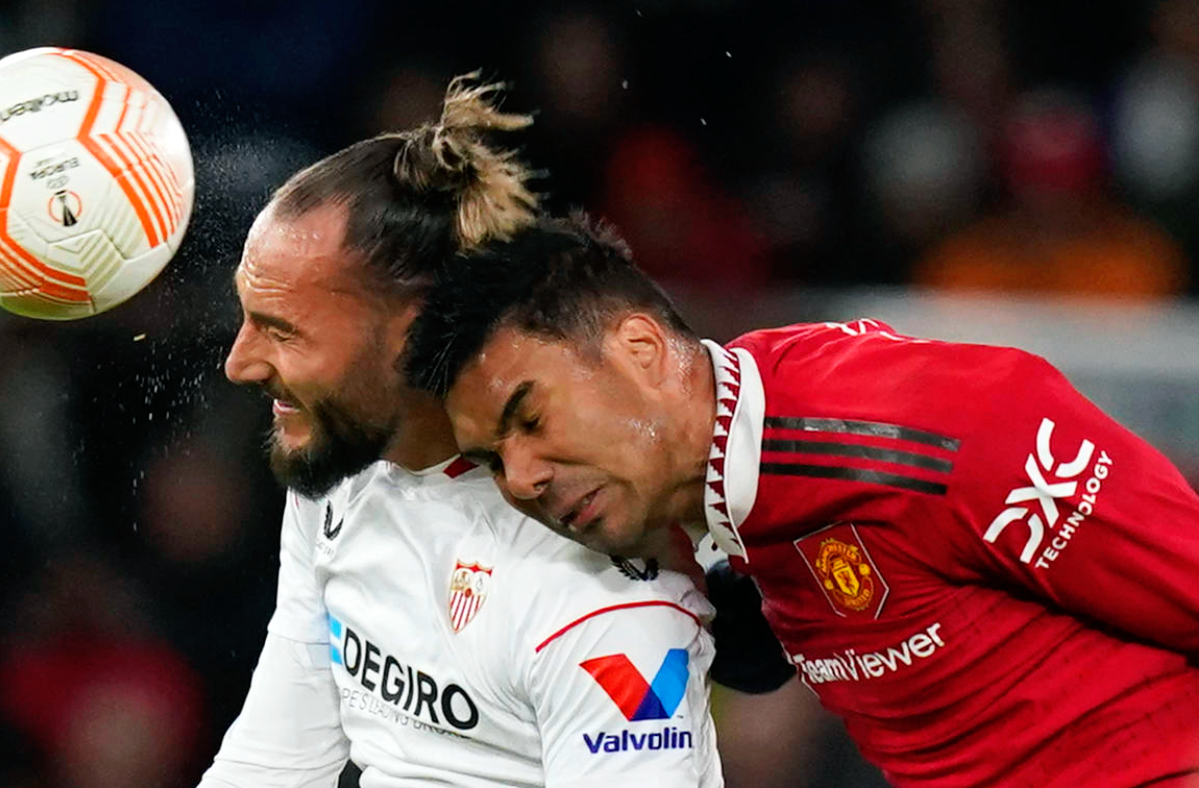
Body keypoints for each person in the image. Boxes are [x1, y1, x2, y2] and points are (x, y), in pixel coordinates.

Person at [402, 215, 1199, 788]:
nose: (521, 479)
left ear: (641, 351)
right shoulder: (720, 487)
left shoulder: (927, 436)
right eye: (493, 459)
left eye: (531, 420)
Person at [197, 76, 729, 788]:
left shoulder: (600, 587)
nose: (240, 363)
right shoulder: (343, 475)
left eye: (283, 331)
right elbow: (273, 763)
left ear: (411, 335)